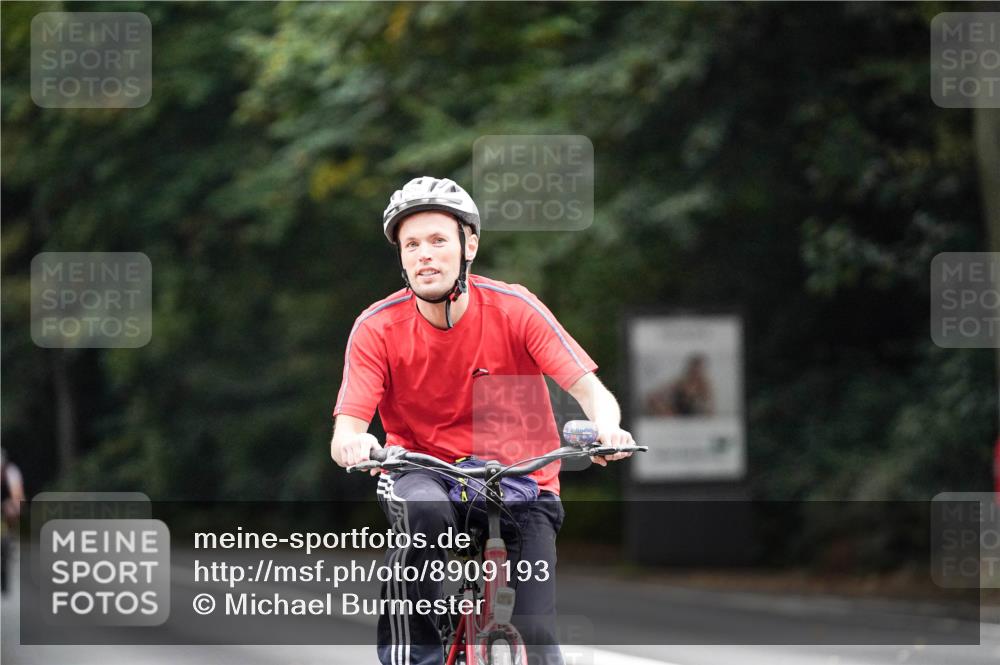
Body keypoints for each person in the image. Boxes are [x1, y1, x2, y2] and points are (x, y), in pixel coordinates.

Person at [330, 176, 634, 665]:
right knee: (422, 516)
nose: (424, 255)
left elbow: (589, 390)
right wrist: (354, 443)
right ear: (401, 257)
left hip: (522, 478)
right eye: (412, 245)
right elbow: (349, 426)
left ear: (469, 244)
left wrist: (607, 427)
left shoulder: (515, 309)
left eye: (437, 240)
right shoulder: (377, 327)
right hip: (423, 471)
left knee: (534, 630)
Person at [645, 353, 715, 417]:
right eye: (694, 367)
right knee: (653, 400)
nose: (695, 370)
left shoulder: (704, 384)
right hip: (676, 411)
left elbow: (709, 405)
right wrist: (656, 397)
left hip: (691, 414)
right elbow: (664, 389)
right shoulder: (682, 381)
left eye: (698, 368)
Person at [1, 448, 25, 596]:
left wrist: (13, 506)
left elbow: (17, 494)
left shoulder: (12, 472)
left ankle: (11, 538)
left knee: (13, 509)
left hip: (7, 505)